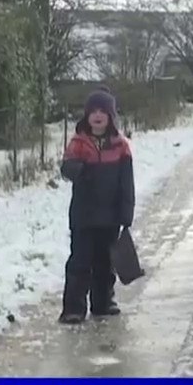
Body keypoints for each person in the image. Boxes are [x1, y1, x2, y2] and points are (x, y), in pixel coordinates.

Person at [58, 88, 135, 324]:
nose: (98, 116)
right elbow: (66, 168)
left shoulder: (120, 146)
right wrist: (79, 168)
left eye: (103, 111)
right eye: (93, 111)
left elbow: (127, 183)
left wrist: (126, 213)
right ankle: (73, 307)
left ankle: (103, 302)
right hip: (83, 215)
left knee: (105, 262)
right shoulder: (78, 143)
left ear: (111, 116)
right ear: (87, 116)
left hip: (110, 216)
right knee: (80, 261)